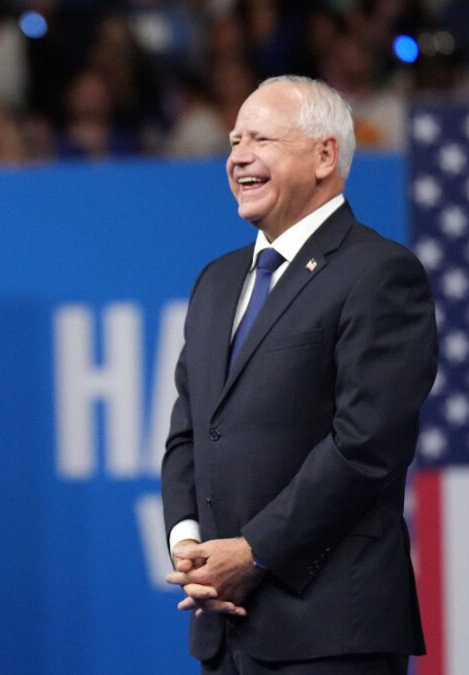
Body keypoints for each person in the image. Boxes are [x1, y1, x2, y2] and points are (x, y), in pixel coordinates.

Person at [161, 75, 436, 674]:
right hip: (224, 630)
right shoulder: (215, 282)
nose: (237, 156)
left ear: (324, 154)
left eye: (260, 138)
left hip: (331, 630)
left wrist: (255, 553)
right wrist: (188, 542)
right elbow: (190, 433)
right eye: (234, 140)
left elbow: (366, 446)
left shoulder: (380, 273)